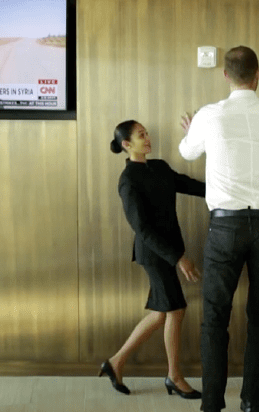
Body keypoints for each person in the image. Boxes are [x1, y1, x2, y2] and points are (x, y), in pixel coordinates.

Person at [179, 46, 259, 412]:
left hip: (226, 226)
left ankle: (212, 404)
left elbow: (186, 152)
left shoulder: (210, 115)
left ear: (225, 75)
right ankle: (250, 402)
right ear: (258, 74)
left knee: (215, 316)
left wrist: (193, 129)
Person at [99, 120, 204, 400]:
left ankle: (116, 362)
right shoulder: (128, 180)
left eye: (146, 133)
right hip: (154, 255)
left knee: (162, 313)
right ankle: (174, 377)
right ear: (126, 144)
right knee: (176, 310)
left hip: (168, 252)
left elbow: (189, 185)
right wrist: (179, 258)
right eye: (141, 135)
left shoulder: (159, 167)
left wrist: (225, 189)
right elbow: (142, 229)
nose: (148, 138)